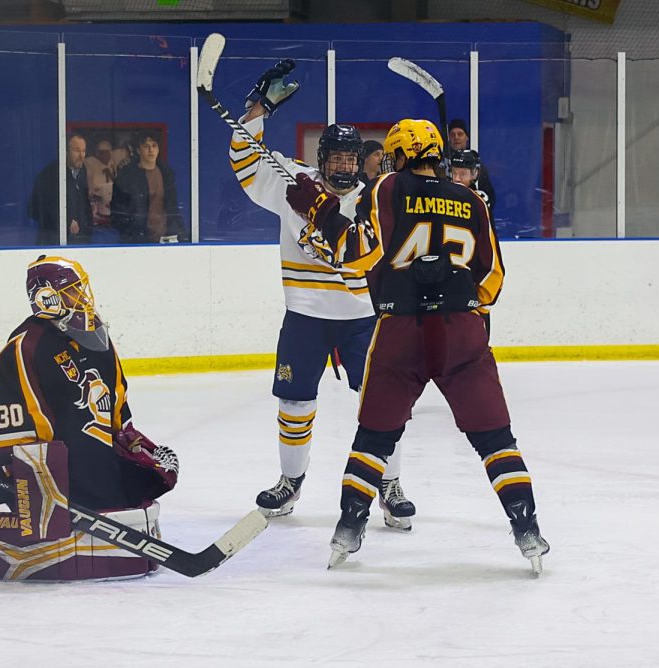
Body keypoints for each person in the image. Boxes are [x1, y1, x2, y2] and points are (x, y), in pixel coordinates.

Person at [284, 118, 550, 574]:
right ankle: (526, 526)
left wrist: (322, 211)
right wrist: (466, 311)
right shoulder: (472, 200)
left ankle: (349, 526)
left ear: (402, 155)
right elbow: (493, 281)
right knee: (495, 439)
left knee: (375, 436)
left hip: (401, 330)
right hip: (460, 330)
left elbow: (358, 253)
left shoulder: (387, 188)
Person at [229, 59, 415, 528]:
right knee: (294, 402)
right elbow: (245, 158)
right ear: (322, 159)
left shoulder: (376, 199)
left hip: (361, 318)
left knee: (381, 401)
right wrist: (259, 108)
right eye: (336, 158)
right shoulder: (293, 181)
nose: (345, 166)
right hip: (305, 316)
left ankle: (389, 485)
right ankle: (290, 483)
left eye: (351, 159)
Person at [0, 255, 179, 582]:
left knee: (147, 485)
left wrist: (143, 452)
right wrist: (31, 490)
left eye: (81, 290)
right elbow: (19, 433)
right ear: (47, 299)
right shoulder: (25, 347)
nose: (83, 299)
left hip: (100, 476)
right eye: (73, 291)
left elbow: (119, 418)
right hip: (65, 486)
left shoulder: (99, 338)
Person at [112, 132, 185, 243]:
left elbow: (173, 206)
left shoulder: (167, 174)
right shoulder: (127, 176)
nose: (151, 150)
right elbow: (118, 210)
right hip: (136, 239)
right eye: (146, 146)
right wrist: (129, 233)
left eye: (154, 145)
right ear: (138, 150)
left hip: (165, 238)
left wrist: (181, 233)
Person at [29, 133, 94, 246]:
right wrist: (68, 221)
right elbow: (45, 206)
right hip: (54, 239)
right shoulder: (51, 173)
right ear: (66, 151)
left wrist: (88, 224)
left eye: (83, 151)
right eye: (77, 150)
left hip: (78, 238)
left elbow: (82, 201)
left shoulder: (82, 171)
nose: (81, 155)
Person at [446, 119, 496, 211]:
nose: (456, 137)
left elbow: (490, 198)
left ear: (467, 137)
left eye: (460, 134)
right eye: (452, 134)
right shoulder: (440, 163)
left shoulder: (476, 163)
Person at [449, 149, 493, 214]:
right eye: (454, 173)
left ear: (475, 174)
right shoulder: (445, 195)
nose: (456, 179)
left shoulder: (479, 200)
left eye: (462, 174)